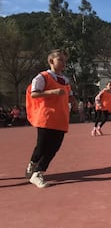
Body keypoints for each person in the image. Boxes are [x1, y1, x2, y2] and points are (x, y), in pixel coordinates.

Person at [24, 49, 72, 188]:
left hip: (61, 118)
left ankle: (38, 172)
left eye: (65, 60)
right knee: (42, 147)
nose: (64, 63)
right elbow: (34, 94)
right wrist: (53, 92)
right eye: (61, 60)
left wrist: (73, 101)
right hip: (46, 117)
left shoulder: (65, 80)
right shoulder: (42, 77)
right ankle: (33, 164)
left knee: (54, 147)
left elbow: (68, 94)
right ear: (51, 61)